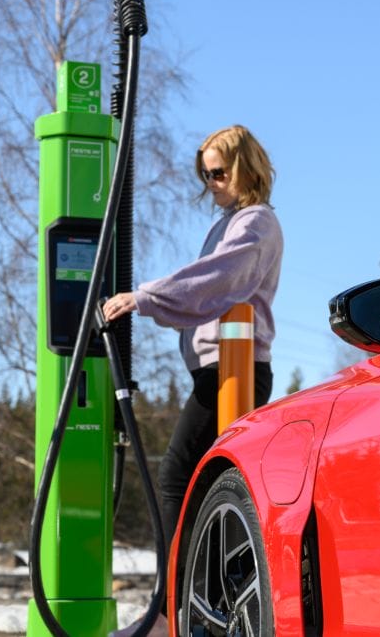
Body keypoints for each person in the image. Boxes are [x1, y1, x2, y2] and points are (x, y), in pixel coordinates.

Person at [102, 123, 282, 549]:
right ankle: (199, 601)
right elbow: (204, 293)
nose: (211, 184)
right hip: (214, 372)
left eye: (218, 173)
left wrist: (144, 297)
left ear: (245, 169)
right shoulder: (230, 224)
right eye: (206, 175)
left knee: (179, 475)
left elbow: (215, 280)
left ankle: (169, 608)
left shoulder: (256, 223)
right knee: (209, 487)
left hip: (236, 371)